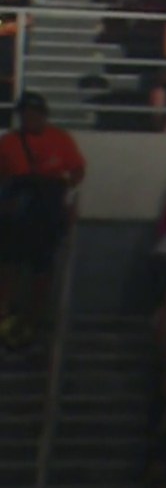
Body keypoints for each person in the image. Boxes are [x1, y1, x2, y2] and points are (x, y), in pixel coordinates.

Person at [0, 91, 86, 349]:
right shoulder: (8, 142)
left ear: (44, 115)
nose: (30, 118)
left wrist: (67, 197)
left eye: (35, 114)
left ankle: (33, 322)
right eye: (26, 114)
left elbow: (77, 170)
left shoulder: (61, 139)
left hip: (48, 211)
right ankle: (5, 315)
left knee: (43, 269)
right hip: (17, 212)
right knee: (9, 265)